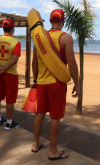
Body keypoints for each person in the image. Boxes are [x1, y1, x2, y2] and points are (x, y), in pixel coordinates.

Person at [31, 9, 79, 160]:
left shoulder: (39, 38)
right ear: (63, 21)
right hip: (56, 84)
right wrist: (77, 84)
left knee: (40, 114)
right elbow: (72, 65)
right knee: (55, 118)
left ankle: (36, 144)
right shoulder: (66, 38)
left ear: (50, 21)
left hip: (41, 82)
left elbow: (34, 63)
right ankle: (53, 151)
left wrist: (36, 80)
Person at [0, 18, 21, 130]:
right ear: (13, 29)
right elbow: (15, 59)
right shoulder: (16, 42)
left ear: (3, 28)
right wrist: (5, 68)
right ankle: (9, 122)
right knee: (10, 99)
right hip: (10, 73)